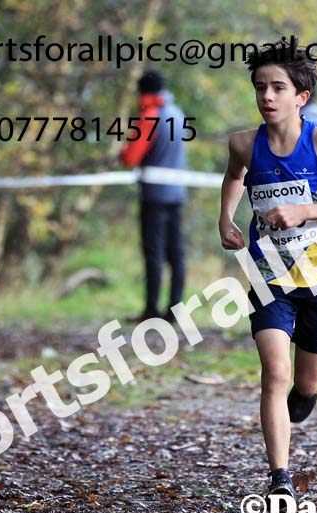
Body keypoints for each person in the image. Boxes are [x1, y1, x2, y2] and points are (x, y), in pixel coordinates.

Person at [218, 43, 317, 499]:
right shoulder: (244, 143)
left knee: (305, 383)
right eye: (261, 87)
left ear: (300, 96)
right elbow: (233, 177)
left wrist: (307, 210)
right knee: (274, 373)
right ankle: (279, 479)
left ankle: (304, 400)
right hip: (269, 277)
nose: (267, 95)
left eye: (278, 87)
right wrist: (225, 218)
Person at [120, 70, 188, 323]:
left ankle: (151, 310)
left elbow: (131, 157)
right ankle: (175, 309)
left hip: (154, 195)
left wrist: (124, 150)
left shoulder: (151, 116)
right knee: (176, 253)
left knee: (154, 253)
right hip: (177, 192)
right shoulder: (178, 114)